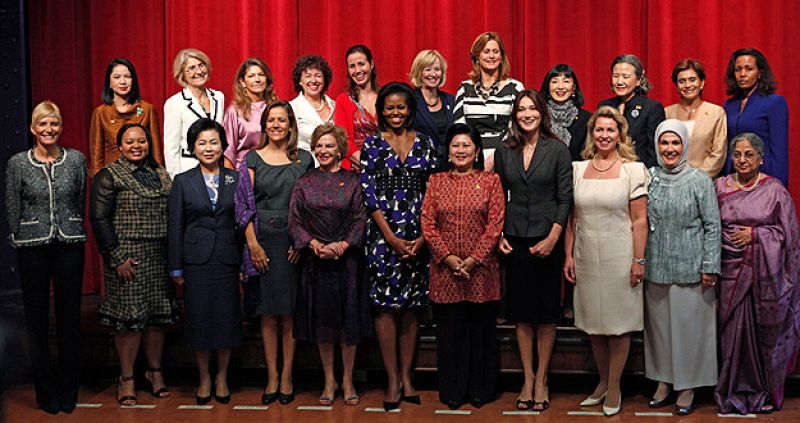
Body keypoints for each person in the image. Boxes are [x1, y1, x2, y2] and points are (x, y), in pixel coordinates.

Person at [563, 106, 649, 416]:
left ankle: (615, 386)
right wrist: (568, 255)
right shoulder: (577, 169)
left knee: (618, 325)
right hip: (586, 256)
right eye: (599, 129)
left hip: (620, 255)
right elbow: (572, 219)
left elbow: (640, 220)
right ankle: (601, 382)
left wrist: (638, 260)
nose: (604, 135)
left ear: (620, 134)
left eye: (611, 130)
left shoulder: (633, 170)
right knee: (594, 325)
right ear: (591, 133)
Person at [360, 82, 438, 410]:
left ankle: (408, 376)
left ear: (411, 109)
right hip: (383, 237)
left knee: (411, 308)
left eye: (401, 107)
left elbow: (434, 192)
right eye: (389, 108)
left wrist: (423, 236)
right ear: (382, 111)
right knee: (386, 307)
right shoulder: (372, 145)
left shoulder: (427, 145)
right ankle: (391, 378)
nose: (395, 113)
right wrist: (390, 237)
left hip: (419, 237)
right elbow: (369, 193)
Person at [90, 123, 180, 406]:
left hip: (159, 255)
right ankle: (126, 378)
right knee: (129, 321)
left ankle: (154, 373)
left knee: (156, 318)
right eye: (130, 142)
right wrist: (116, 257)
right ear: (120, 146)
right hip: (127, 258)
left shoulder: (161, 173)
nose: (137, 146)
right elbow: (99, 219)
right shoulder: (109, 175)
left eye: (141, 141)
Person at [6, 101, 86, 414]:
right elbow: (13, 205)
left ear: (61, 127)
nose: (48, 130)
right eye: (43, 125)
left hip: (69, 244)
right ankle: (45, 391)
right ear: (33, 128)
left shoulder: (76, 159)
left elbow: (79, 197)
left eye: (53, 124)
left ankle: (69, 390)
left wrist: (70, 225)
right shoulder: (17, 163)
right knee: (36, 322)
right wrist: (18, 237)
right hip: (32, 247)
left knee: (69, 320)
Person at [494, 90, 572, 411]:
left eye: (533, 109)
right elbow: (497, 194)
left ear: (542, 113)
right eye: (521, 109)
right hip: (515, 239)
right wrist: (498, 233)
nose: (527, 114)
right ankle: (527, 377)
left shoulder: (557, 149)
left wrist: (555, 235)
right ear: (515, 115)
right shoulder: (505, 150)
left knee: (546, 314)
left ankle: (543, 378)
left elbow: (565, 196)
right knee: (522, 315)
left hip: (547, 237)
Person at [714, 132, 800, 415]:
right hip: (729, 274)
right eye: (737, 154)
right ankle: (732, 388)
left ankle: (763, 390)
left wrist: (756, 235)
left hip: (765, 279)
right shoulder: (719, 187)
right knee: (732, 337)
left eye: (749, 154)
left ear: (761, 158)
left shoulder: (774, 190)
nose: (742, 160)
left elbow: (788, 236)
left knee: (763, 336)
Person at [421, 123, 505, 410]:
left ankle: (481, 389)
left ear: (477, 150)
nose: (460, 150)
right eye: (456, 145)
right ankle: (453, 390)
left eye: (466, 145)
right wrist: (447, 257)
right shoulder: (436, 181)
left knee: (481, 333)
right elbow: (428, 224)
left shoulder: (491, 181)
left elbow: (495, 226)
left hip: (482, 270)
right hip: (445, 271)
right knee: (450, 333)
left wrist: (472, 259)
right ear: (449, 150)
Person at [235, 100, 314, 405]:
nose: (277, 125)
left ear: (291, 124)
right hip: (262, 242)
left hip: (293, 244)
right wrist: (252, 245)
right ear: (264, 125)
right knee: (268, 314)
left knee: (290, 313)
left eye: (282, 120)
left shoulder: (304, 159)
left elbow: (309, 204)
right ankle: (271, 376)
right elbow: (243, 206)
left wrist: (299, 241)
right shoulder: (252, 159)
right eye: (272, 120)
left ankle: (288, 377)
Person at [288, 124, 370, 406]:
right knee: (323, 325)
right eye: (319, 146)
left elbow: (361, 218)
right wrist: (314, 245)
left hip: (347, 262)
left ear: (340, 150)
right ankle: (328, 380)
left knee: (348, 321)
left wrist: (343, 246)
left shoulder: (353, 180)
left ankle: (347, 379)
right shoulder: (304, 181)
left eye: (330, 146)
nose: (324, 151)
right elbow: (295, 221)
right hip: (316, 261)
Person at [644, 120, 721, 416]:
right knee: (660, 331)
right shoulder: (649, 178)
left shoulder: (700, 180)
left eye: (675, 143)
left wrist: (710, 266)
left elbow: (713, 227)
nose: (670, 149)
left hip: (692, 270)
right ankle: (663, 381)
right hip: (656, 267)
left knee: (690, 332)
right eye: (664, 143)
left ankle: (687, 386)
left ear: (685, 145)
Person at [168, 119, 242, 405]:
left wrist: (243, 265)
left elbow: (242, 222)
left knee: (225, 320)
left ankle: (222, 377)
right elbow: (175, 225)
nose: (208, 148)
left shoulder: (235, 179)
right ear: (193, 148)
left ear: (223, 145)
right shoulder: (183, 181)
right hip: (195, 260)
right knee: (199, 321)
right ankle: (203, 378)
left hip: (227, 259)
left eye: (213, 142)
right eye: (202, 143)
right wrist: (176, 267)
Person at [453, 31, 524, 169]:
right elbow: (459, 129)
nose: (491, 56)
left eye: (495, 51)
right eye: (486, 51)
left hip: (506, 158)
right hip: (471, 161)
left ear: (501, 57)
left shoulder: (514, 88)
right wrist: (472, 159)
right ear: (477, 56)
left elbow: (517, 128)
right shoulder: (465, 89)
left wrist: (493, 159)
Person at [722, 48, 789, 186]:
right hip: (734, 177)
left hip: (764, 175)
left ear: (760, 73)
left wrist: (778, 184)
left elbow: (779, 149)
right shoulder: (729, 105)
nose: (742, 74)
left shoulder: (775, 102)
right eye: (738, 69)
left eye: (749, 69)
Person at [89, 58, 163, 177]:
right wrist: (98, 181)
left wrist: (160, 177)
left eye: (127, 77)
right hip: (112, 177)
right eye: (117, 77)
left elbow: (156, 151)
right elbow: (96, 154)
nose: (123, 82)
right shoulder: (101, 112)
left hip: (143, 177)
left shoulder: (147, 109)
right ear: (109, 83)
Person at [164, 48, 224, 178]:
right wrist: (176, 179)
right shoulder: (175, 103)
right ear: (182, 75)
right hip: (189, 168)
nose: (198, 71)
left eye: (201, 65)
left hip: (217, 168)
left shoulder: (219, 97)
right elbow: (171, 149)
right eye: (191, 68)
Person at [598, 54, 665, 169]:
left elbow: (654, 152)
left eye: (625, 76)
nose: (619, 81)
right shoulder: (605, 106)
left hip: (638, 172)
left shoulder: (652, 108)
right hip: (607, 171)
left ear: (638, 80)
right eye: (616, 76)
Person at [664, 59, 727, 177]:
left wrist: (696, 178)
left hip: (705, 181)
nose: (688, 85)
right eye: (682, 81)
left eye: (692, 80)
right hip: (672, 180)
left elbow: (718, 153)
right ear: (677, 87)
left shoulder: (716, 112)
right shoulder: (667, 113)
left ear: (702, 83)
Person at [223, 57, 277, 170]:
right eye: (251, 76)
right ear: (242, 82)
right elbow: (228, 151)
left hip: (273, 170)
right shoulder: (235, 110)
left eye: (261, 75)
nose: (257, 79)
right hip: (243, 171)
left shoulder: (276, 107)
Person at [334, 45, 379, 171]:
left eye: (361, 64)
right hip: (355, 169)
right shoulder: (343, 100)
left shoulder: (385, 97)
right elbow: (343, 139)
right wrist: (367, 164)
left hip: (386, 166)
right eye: (352, 66)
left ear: (371, 64)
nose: (357, 70)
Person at [539, 64, 592, 162]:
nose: (560, 87)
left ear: (573, 88)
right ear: (548, 87)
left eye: (566, 81)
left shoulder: (587, 119)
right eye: (555, 81)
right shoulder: (539, 117)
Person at [409, 49, 455, 157]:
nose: (433, 74)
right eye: (428, 69)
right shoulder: (410, 101)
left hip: (449, 164)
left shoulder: (451, 100)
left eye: (437, 69)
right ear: (419, 72)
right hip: (421, 162)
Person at [289, 55, 336, 158]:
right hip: (305, 166)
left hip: (334, 166)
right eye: (308, 76)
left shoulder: (334, 106)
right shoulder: (292, 108)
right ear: (300, 81)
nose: (313, 80)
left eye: (318, 76)